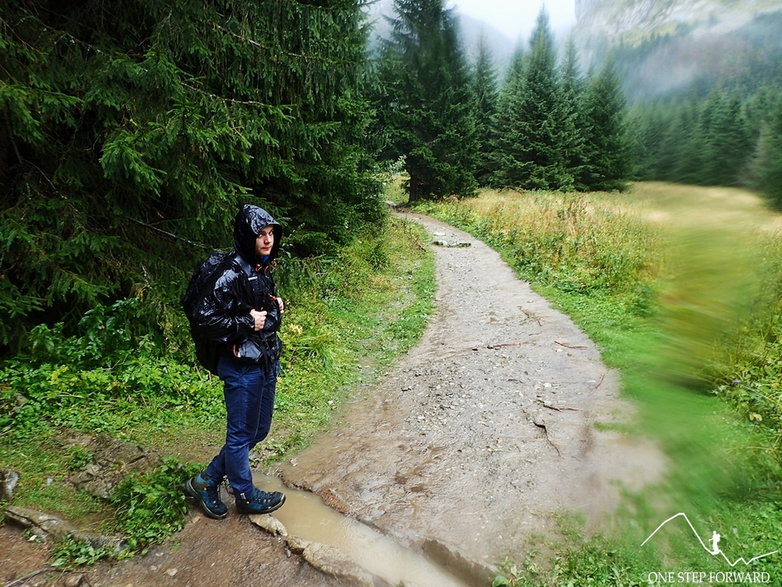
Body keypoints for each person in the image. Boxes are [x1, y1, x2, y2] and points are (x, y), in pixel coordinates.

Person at [183, 204, 286, 519]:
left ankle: (207, 480)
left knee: (259, 430)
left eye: (270, 234)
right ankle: (245, 494)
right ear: (247, 236)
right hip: (240, 365)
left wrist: (273, 305)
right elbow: (202, 318)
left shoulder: (259, 267)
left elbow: (255, 309)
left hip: (263, 359)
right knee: (241, 433)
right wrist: (246, 323)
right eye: (261, 234)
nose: (267, 240)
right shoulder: (229, 271)